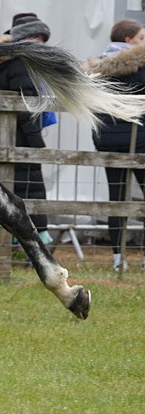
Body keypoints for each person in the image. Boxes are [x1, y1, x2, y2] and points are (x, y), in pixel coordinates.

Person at [0, 12, 54, 264]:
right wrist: (37, 144)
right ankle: (36, 251)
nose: (40, 44)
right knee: (29, 190)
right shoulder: (21, 64)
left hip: (0, 136)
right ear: (23, 39)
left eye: (43, 39)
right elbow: (26, 107)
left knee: (0, 191)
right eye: (35, 39)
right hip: (22, 139)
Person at [85, 18, 145, 272]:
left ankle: (118, 259)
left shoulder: (97, 69)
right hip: (139, 140)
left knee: (116, 199)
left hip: (108, 141)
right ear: (129, 41)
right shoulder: (140, 67)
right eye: (142, 38)